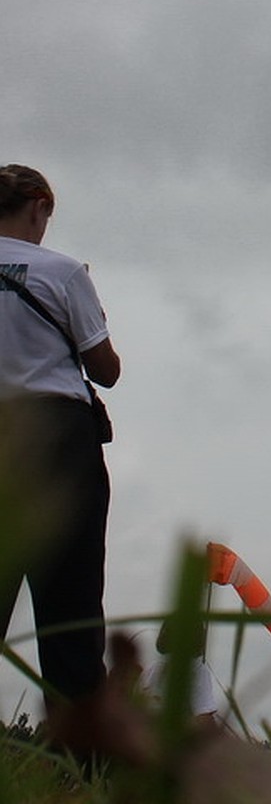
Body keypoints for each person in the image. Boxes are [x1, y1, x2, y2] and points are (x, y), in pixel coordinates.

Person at [0, 164, 121, 720]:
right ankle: (78, 752)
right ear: (39, 206)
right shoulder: (63, 271)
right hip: (57, 438)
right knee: (69, 599)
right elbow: (106, 369)